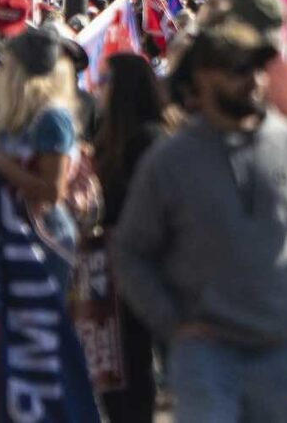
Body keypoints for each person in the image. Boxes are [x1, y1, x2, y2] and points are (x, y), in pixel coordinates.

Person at [111, 21, 287, 423]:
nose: (253, 81)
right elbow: (132, 251)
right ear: (204, 77)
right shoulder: (171, 161)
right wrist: (172, 324)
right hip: (206, 358)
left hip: (286, 353)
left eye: (258, 69)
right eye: (238, 69)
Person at [92, 54, 176, 423]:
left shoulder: (150, 138)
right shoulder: (111, 135)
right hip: (113, 266)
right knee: (120, 367)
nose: (100, 86)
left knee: (136, 365)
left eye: (107, 79)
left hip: (145, 264)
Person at [0, 27, 86, 285]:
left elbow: (52, 191)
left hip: (47, 237)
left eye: (9, 63)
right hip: (14, 233)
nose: (2, 71)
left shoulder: (52, 118)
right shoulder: (18, 116)